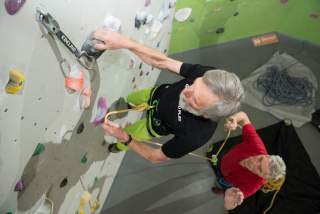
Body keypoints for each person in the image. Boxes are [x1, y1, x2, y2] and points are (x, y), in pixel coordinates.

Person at [92, 28, 244, 163]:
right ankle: (130, 106)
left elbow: (155, 156)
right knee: (132, 98)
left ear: (205, 115)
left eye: (194, 100)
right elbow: (163, 62)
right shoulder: (209, 76)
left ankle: (117, 146)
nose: (185, 92)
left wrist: (125, 138)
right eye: (194, 84)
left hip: (155, 124)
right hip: (157, 94)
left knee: (130, 134)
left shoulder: (196, 136)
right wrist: (126, 43)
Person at [216, 111, 286, 210]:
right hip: (226, 157)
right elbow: (244, 117)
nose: (253, 162)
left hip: (228, 179)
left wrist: (228, 202)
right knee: (220, 160)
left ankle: (220, 184)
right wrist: (234, 119)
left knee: (222, 182)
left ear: (263, 178)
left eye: (259, 169)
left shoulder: (255, 185)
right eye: (260, 159)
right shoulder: (257, 146)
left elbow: (230, 204)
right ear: (266, 155)